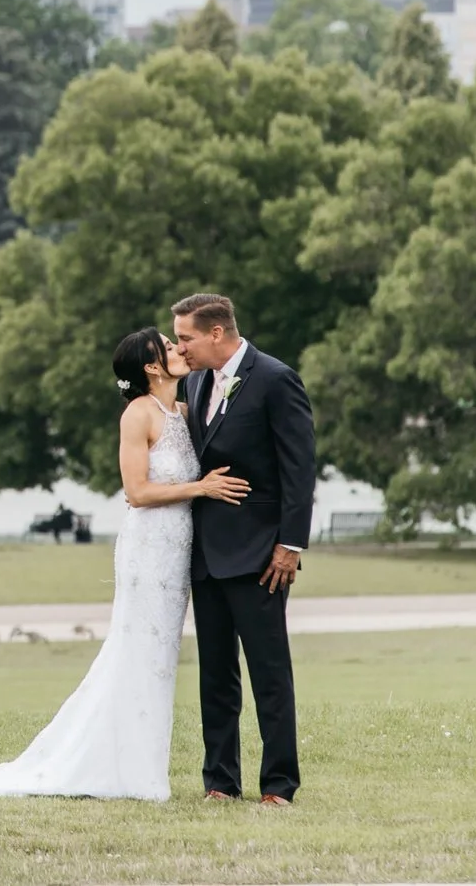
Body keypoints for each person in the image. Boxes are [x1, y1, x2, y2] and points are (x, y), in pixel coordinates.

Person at [0, 326, 249, 800]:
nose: (178, 349)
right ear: (151, 366)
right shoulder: (138, 415)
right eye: (168, 347)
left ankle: (137, 767)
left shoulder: (182, 411)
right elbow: (137, 492)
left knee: (160, 658)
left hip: (177, 551)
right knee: (138, 650)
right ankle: (125, 773)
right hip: (148, 549)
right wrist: (200, 488)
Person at [171, 292, 317, 805]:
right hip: (206, 555)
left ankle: (278, 786)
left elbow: (300, 470)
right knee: (216, 675)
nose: (180, 346)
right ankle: (220, 783)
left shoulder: (276, 379)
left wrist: (290, 544)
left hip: (261, 556)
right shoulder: (192, 381)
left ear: (216, 333)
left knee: (269, 673)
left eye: (185, 337)